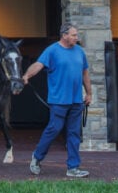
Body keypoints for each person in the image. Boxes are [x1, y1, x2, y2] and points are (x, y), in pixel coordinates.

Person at [21, 22, 92, 178]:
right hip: (59, 100)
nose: (76, 37)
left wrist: (89, 93)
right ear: (64, 35)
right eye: (73, 35)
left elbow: (85, 73)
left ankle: (73, 168)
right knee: (54, 129)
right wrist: (26, 75)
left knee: (74, 134)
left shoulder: (79, 51)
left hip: (76, 101)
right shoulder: (52, 50)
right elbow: (38, 65)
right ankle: (37, 158)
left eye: (76, 35)